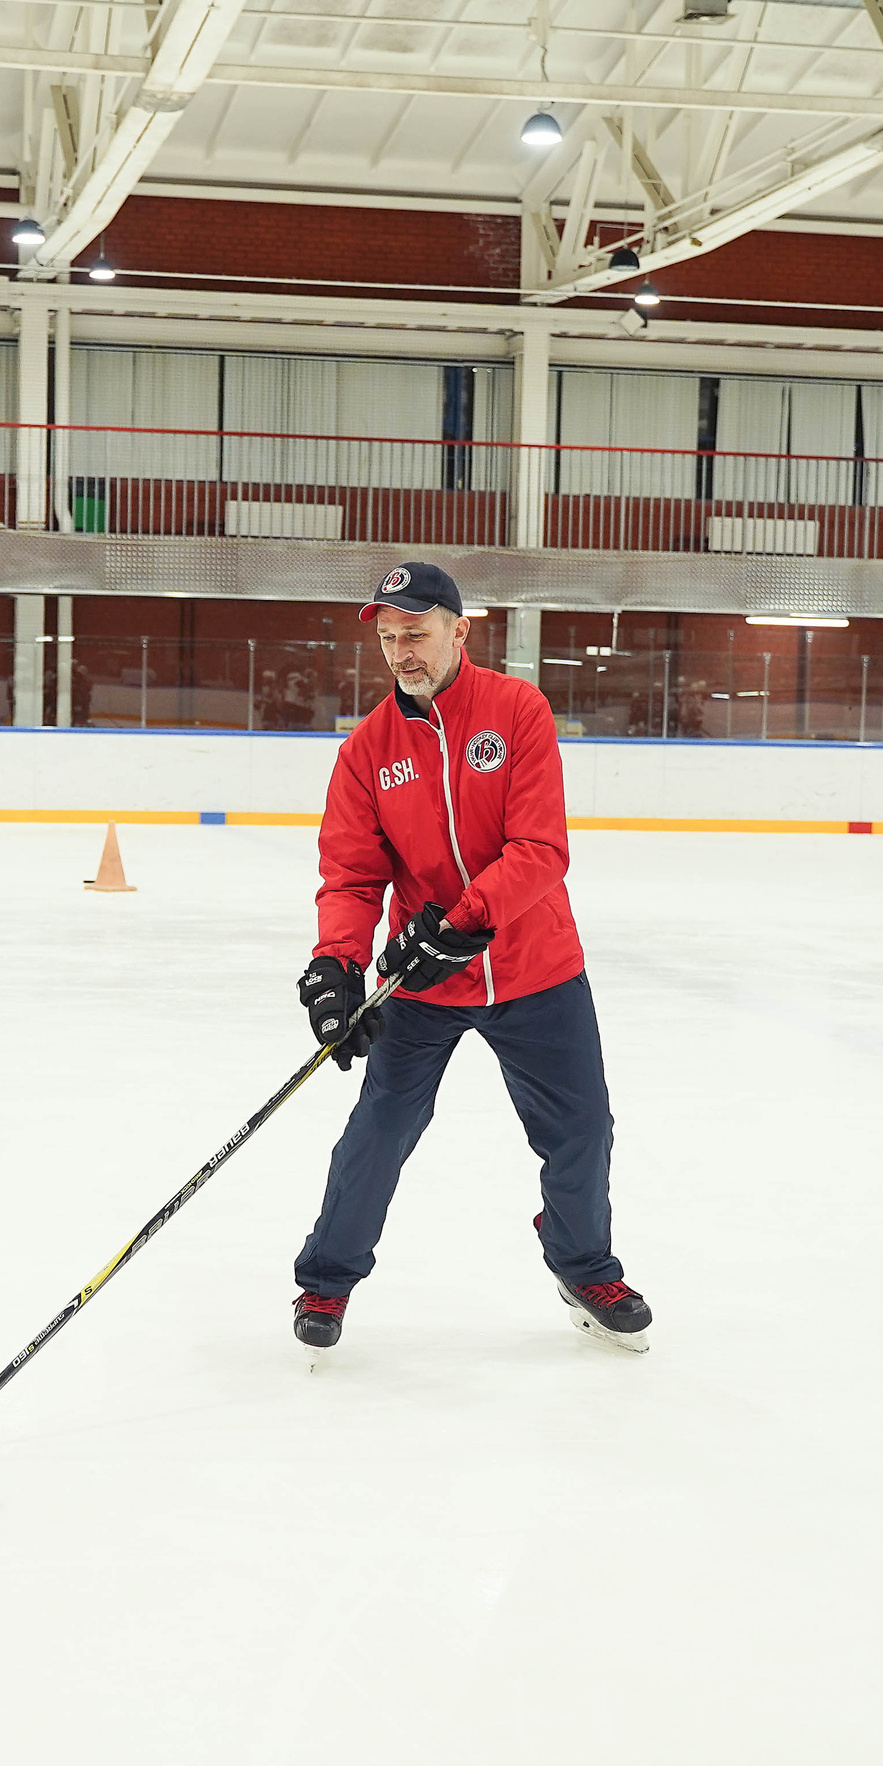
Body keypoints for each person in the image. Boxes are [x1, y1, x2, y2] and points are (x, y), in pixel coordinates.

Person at [288, 560, 650, 1357]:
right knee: (377, 1134)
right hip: (420, 982)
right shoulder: (367, 751)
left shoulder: (517, 711)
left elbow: (539, 849)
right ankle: (327, 1279)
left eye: (414, 634)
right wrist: (339, 967)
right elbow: (351, 874)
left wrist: (463, 919)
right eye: (387, 638)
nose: (400, 651)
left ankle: (585, 1265)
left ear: (459, 630)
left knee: (582, 1130)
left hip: (535, 968)